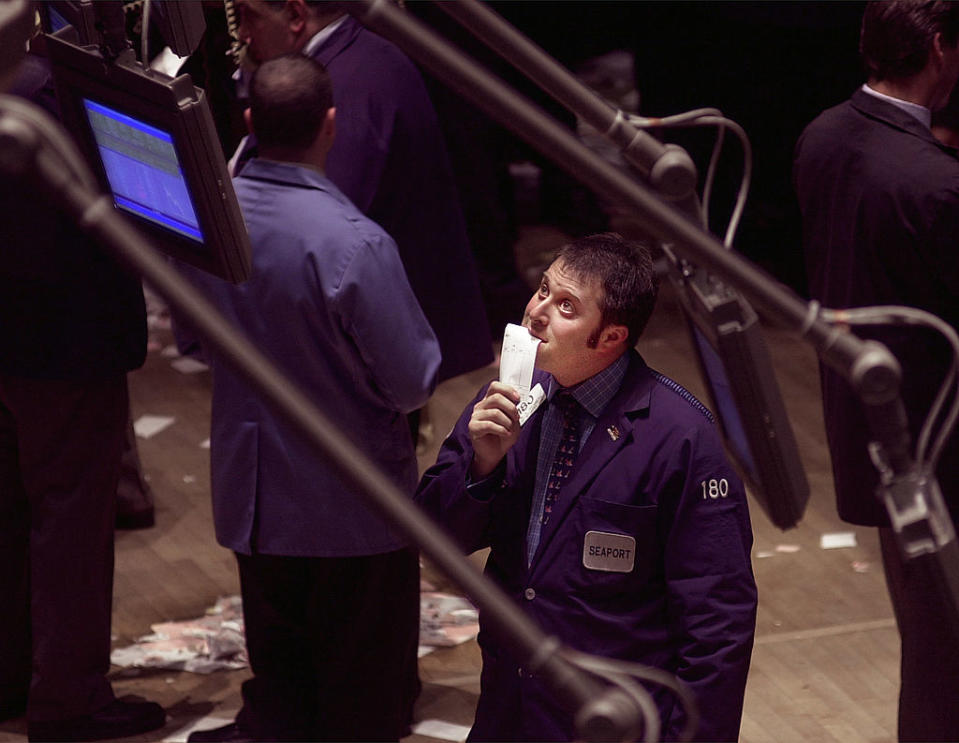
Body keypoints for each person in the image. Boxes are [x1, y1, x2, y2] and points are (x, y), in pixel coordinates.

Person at [184, 54, 441, 743]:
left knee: (283, 682)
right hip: (348, 498)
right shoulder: (355, 245)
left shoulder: (211, 217)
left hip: (255, 485)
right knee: (362, 706)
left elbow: (188, 331)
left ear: (248, 122)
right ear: (331, 125)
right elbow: (412, 379)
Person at [416, 233, 757, 742]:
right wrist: (482, 467)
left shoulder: (680, 437)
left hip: (613, 718)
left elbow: (718, 623)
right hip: (510, 705)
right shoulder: (510, 397)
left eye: (567, 306)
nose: (538, 312)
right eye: (544, 290)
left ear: (611, 337)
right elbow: (434, 535)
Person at [794, 2, 959, 740]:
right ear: (937, 47)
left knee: (928, 643)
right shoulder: (934, 183)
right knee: (944, 654)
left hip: (870, 432)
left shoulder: (820, 136)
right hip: (942, 448)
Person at [0, 47, 166, 742]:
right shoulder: (43, 91)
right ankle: (68, 698)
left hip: (14, 344)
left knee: (11, 520)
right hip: (60, 347)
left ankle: (14, 678)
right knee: (70, 526)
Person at [232, 0, 493, 384]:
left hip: (372, 341)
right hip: (362, 322)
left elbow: (321, 234)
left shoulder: (354, 83)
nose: (241, 32)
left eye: (247, 14)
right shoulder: (354, 60)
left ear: (295, 16)